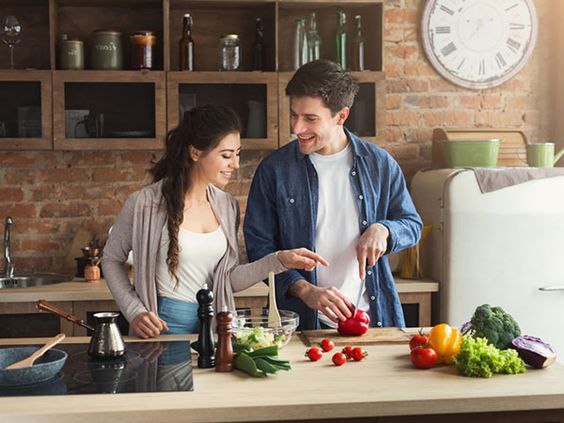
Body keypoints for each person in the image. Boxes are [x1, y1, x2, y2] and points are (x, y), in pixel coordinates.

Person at [102, 104, 327, 338]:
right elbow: (111, 259)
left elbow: (227, 280)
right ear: (196, 153)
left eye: (237, 154)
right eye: (226, 155)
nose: (236, 164)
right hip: (165, 324)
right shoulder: (144, 203)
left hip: (216, 323)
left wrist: (278, 260)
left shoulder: (226, 206)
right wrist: (134, 311)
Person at [243, 60, 422, 330]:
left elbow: (411, 224)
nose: (296, 128)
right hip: (301, 326)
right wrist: (304, 289)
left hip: (372, 321)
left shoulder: (380, 164)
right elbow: (259, 248)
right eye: (294, 115)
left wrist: (383, 229)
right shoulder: (274, 171)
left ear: (341, 116)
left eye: (310, 119)